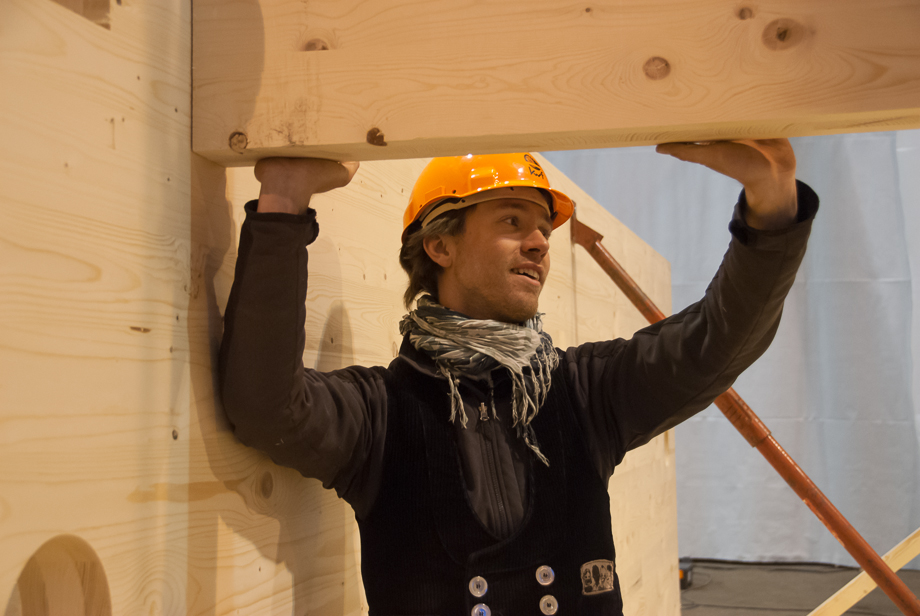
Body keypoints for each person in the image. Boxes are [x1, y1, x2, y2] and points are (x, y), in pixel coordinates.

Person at [219, 140, 818, 616]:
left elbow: (717, 341)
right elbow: (266, 405)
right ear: (440, 245)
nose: (539, 244)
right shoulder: (379, 412)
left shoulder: (585, 390)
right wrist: (285, 196)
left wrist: (772, 203)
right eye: (513, 221)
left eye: (545, 231)